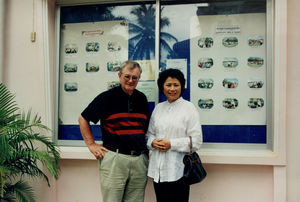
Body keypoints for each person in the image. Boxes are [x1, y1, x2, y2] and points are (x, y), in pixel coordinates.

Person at [78, 60, 150, 202]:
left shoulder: (142, 99)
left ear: (139, 79)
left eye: (134, 77)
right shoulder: (107, 97)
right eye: (127, 76)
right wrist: (91, 144)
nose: (130, 80)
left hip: (139, 160)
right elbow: (83, 119)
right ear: (119, 76)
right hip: (115, 160)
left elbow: (144, 129)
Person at [147, 68, 203, 202]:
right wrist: (152, 142)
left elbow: (196, 141)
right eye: (168, 85)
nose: (172, 89)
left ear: (181, 86)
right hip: (158, 171)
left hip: (178, 171)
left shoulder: (189, 108)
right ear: (162, 87)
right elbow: (149, 134)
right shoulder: (158, 108)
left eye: (176, 85)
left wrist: (171, 144)